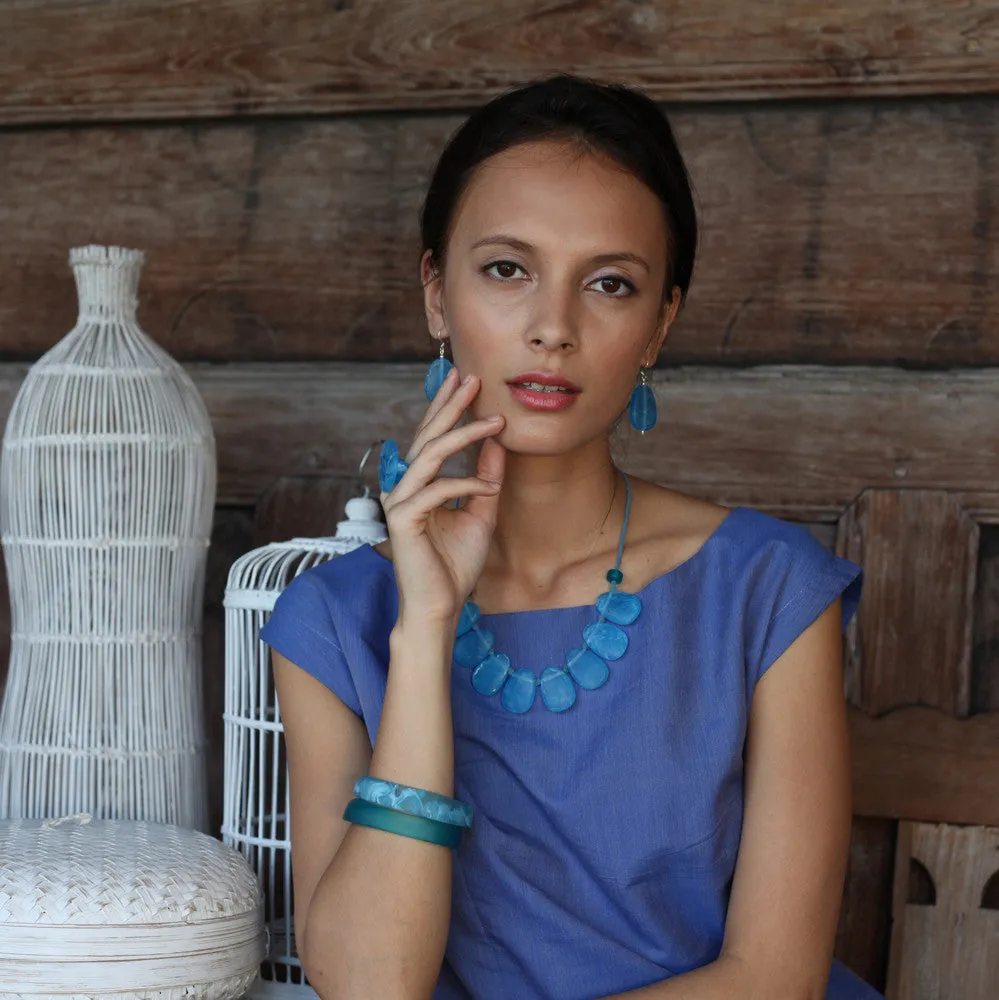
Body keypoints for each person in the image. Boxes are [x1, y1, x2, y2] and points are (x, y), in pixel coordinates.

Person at [260, 74, 880, 1000]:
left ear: (659, 321)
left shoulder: (765, 591)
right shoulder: (333, 621)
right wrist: (426, 626)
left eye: (609, 283)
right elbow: (368, 984)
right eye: (506, 269)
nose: (553, 328)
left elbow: (773, 977)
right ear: (436, 293)